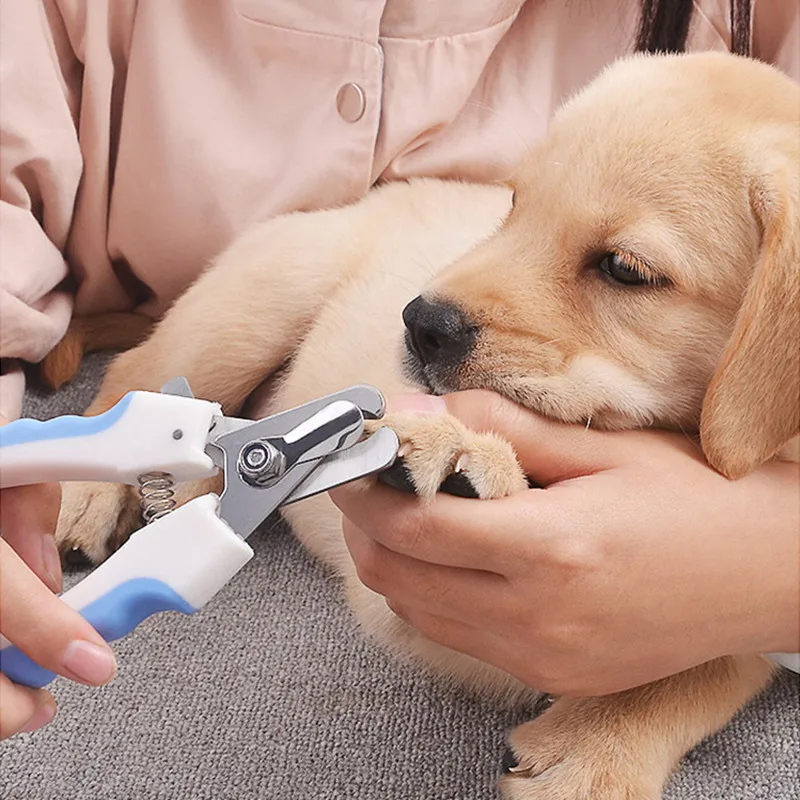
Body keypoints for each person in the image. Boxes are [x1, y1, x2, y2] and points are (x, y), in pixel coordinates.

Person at [0, 0, 797, 738]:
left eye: (623, 269)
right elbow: (396, 597)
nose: (437, 307)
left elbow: (741, 639)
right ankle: (135, 411)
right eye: (515, 205)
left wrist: (760, 574)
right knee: (292, 264)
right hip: (341, 264)